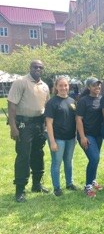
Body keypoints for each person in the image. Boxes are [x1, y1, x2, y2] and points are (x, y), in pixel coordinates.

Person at [7, 60, 50, 202]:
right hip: (24, 125)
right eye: (35, 67)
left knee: (38, 154)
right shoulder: (20, 82)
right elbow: (12, 105)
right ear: (30, 67)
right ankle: (20, 190)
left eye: (40, 67)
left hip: (39, 124)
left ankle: (37, 184)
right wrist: (13, 127)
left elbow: (46, 107)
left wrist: (45, 127)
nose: (38, 69)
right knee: (23, 156)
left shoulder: (44, 86)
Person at [44, 77, 77, 197]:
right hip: (58, 138)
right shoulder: (52, 103)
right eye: (61, 85)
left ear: (69, 86)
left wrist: (76, 136)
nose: (64, 88)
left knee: (68, 162)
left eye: (66, 85)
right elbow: (49, 123)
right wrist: (52, 141)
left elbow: (76, 120)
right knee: (56, 163)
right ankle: (57, 187)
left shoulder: (72, 101)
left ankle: (69, 183)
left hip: (71, 138)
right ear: (56, 87)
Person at [76, 77, 103, 198]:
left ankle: (93, 180)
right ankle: (87, 186)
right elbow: (78, 119)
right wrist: (82, 137)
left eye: (98, 85)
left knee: (96, 159)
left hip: (98, 135)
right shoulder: (83, 101)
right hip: (87, 135)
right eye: (94, 85)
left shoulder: (102, 99)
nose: (97, 87)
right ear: (88, 87)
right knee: (94, 158)